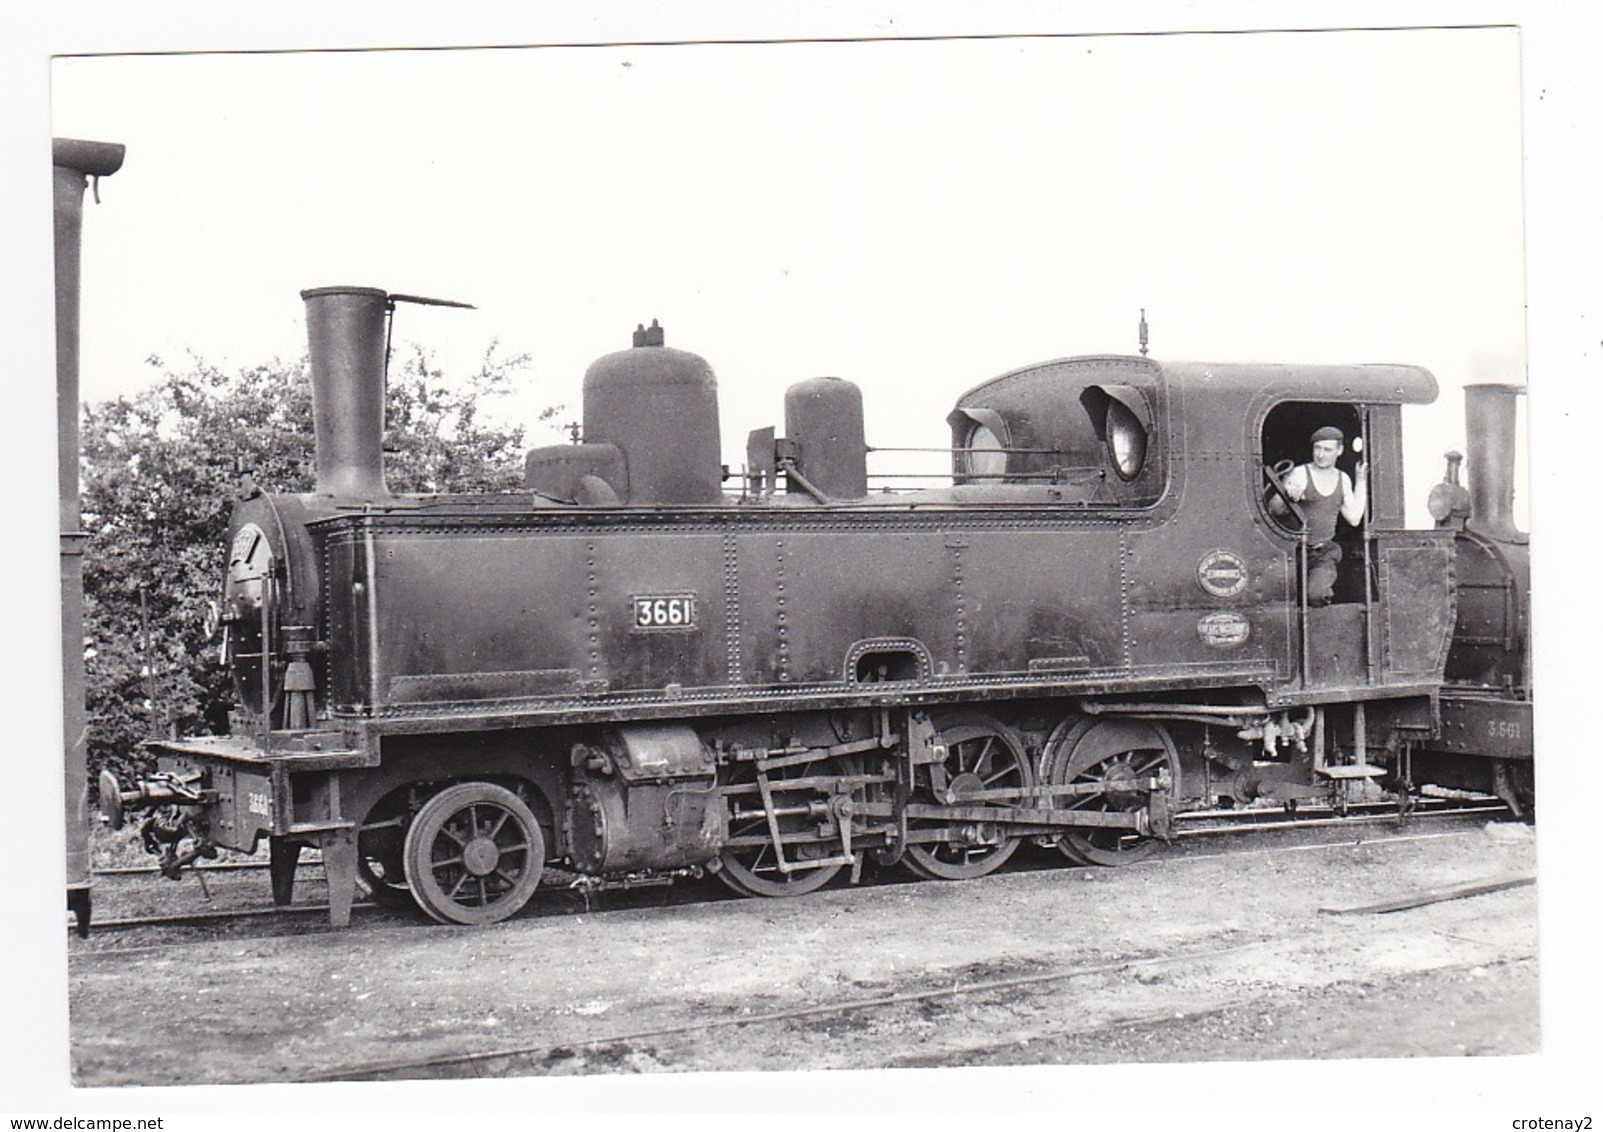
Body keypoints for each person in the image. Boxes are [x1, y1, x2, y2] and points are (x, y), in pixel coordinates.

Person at [1278, 425, 1367, 605]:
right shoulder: (1300, 473)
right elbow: (1276, 510)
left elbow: (1354, 518)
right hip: (1292, 552)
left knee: (1316, 595)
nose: (1321, 454)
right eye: (1317, 448)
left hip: (1323, 553)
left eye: (1327, 450)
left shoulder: (1343, 479)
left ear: (1339, 451)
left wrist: (1361, 480)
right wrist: (1287, 493)